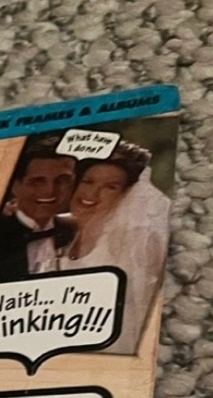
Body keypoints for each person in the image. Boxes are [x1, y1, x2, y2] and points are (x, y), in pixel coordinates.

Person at [56, 142, 171, 354]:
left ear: (127, 194)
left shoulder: (131, 240)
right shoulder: (62, 231)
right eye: (87, 181)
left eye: (110, 187)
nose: (92, 193)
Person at [0, 137, 76, 284]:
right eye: (37, 181)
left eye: (62, 180)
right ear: (15, 186)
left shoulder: (75, 229)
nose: (50, 191)